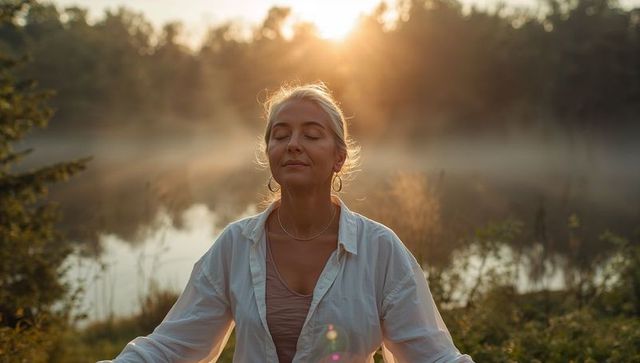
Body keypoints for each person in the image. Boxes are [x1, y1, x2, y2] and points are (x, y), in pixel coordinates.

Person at [101, 83, 474, 363]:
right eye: (281, 135)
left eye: (311, 135)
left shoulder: (380, 250)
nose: (293, 144)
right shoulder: (236, 245)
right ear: (270, 154)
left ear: (339, 157)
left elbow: (434, 356)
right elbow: (170, 348)